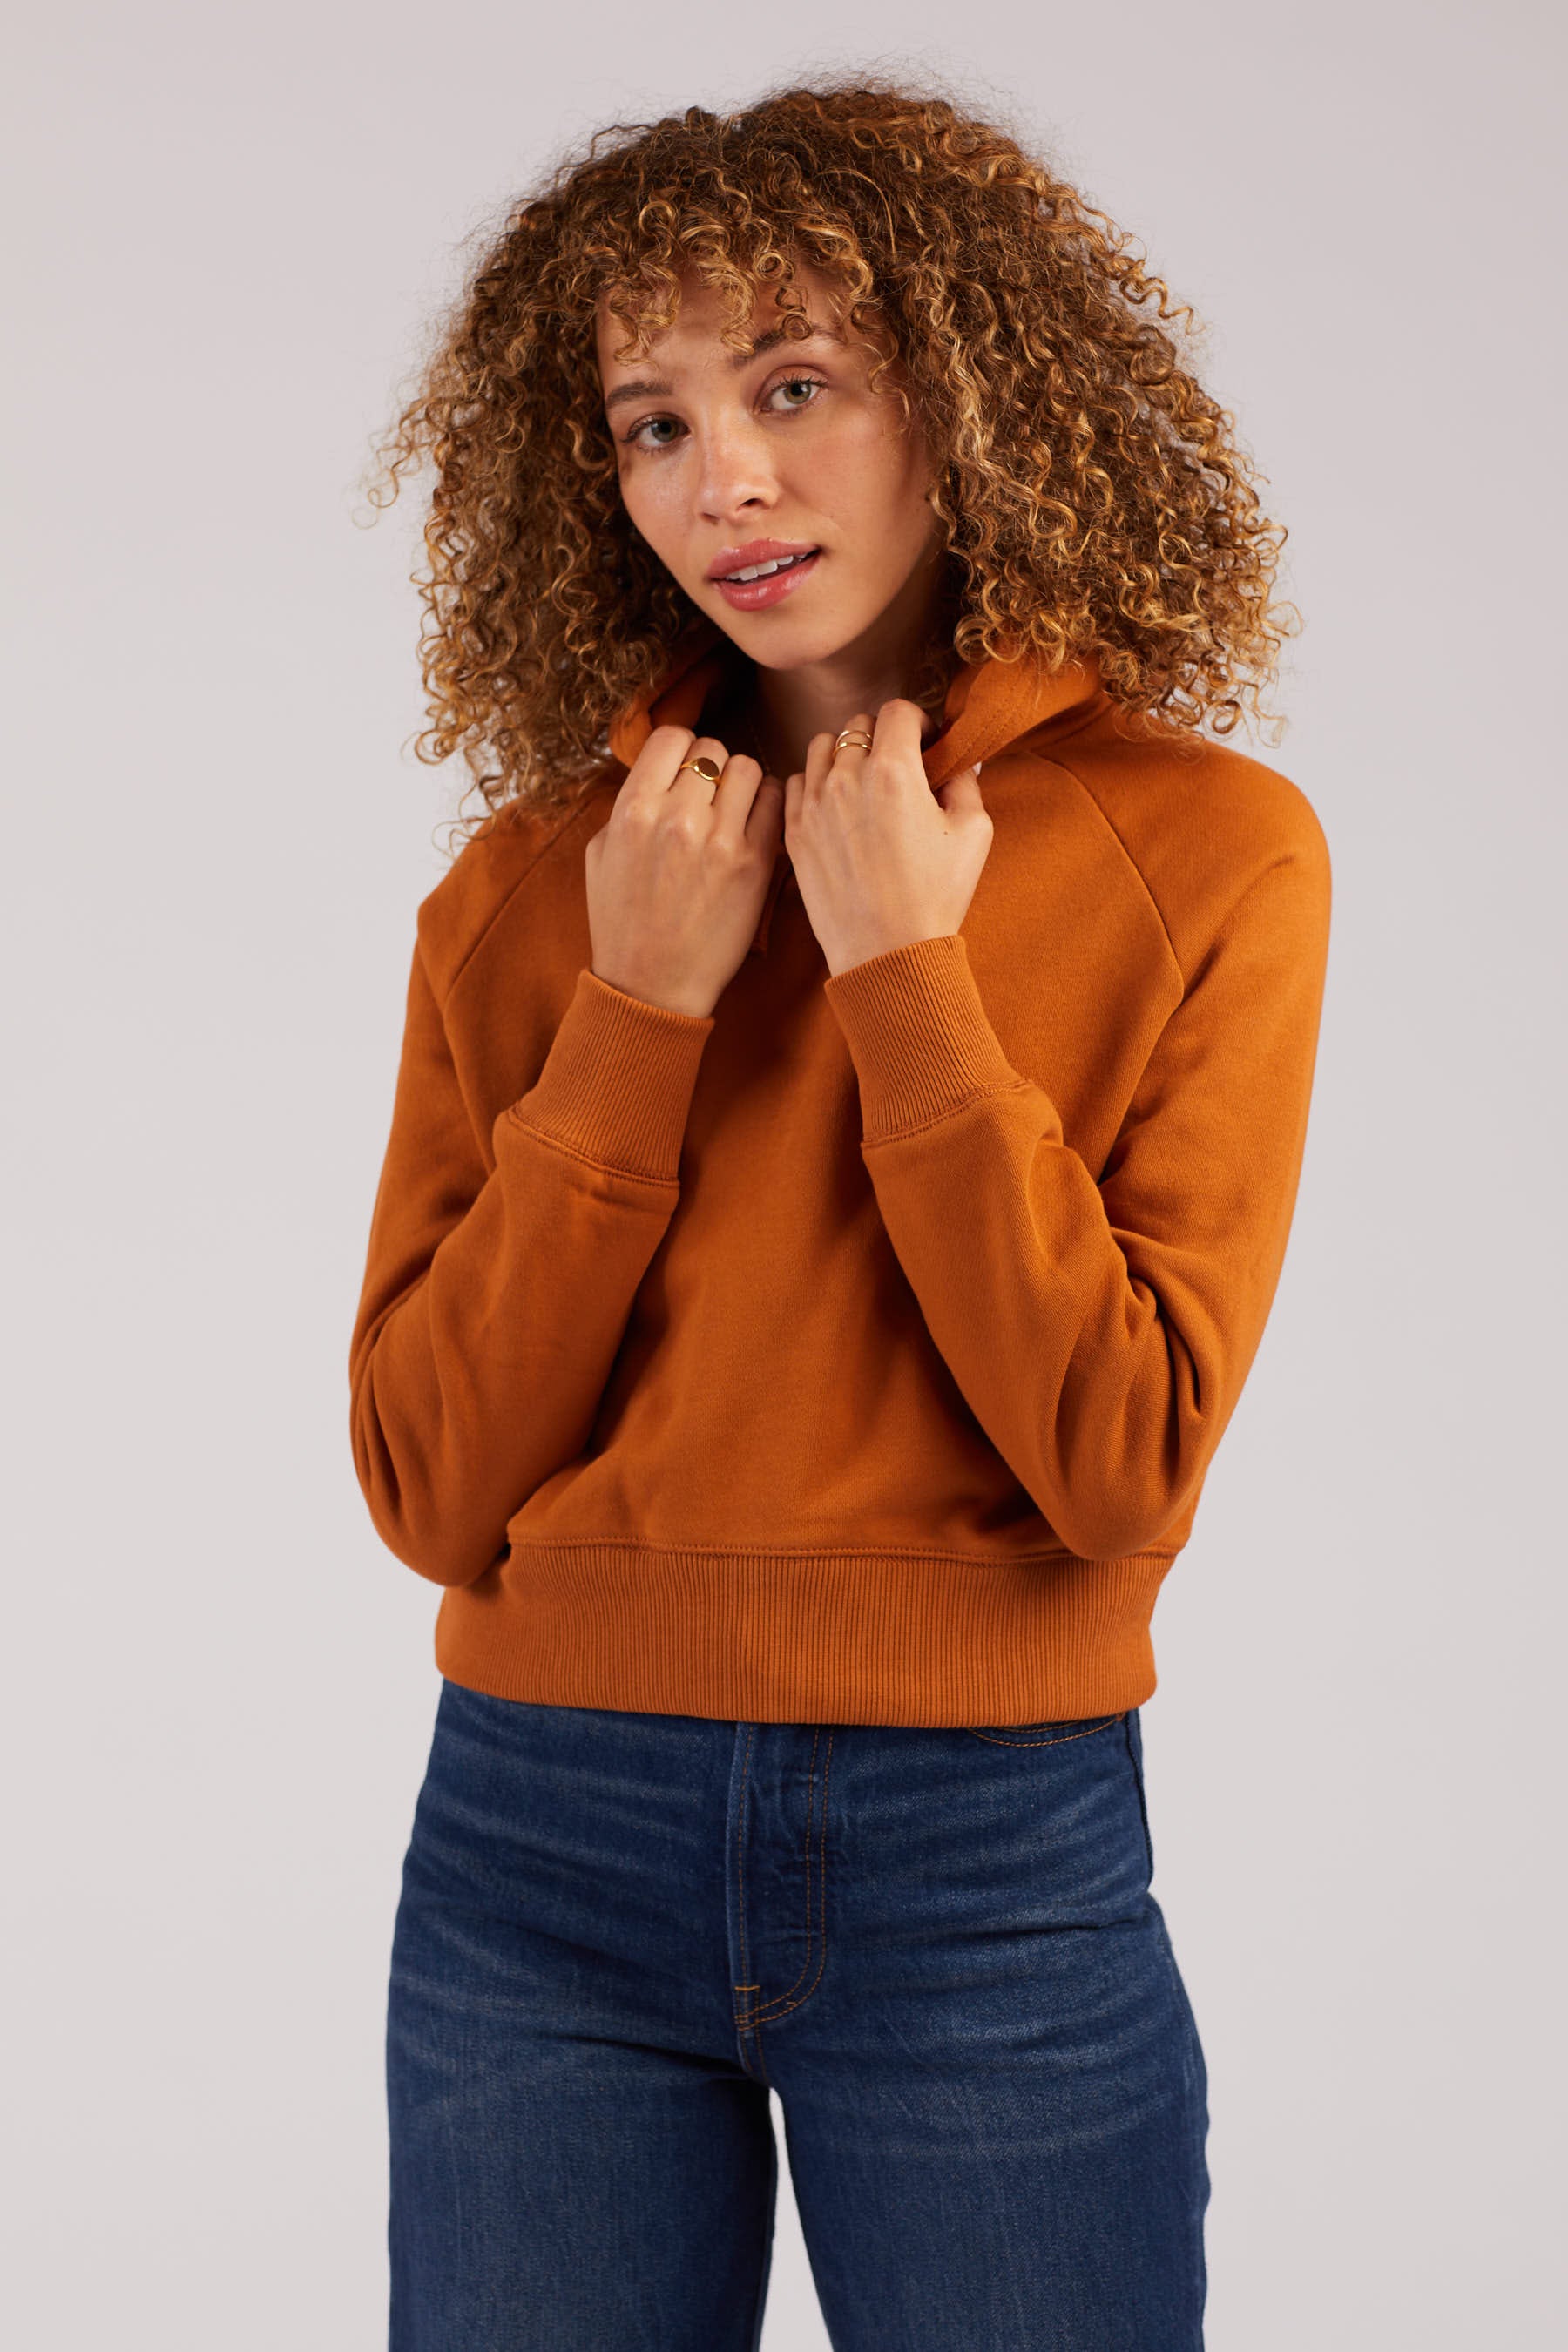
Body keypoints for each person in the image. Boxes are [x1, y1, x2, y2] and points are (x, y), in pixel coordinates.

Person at [349, 76, 1331, 2352]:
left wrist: (903, 973)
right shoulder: (537, 885)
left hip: (988, 1863)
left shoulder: (1207, 852)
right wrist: (638, 1012)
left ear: (969, 394)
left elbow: (1120, 1462)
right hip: (536, 1848)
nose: (726, 479)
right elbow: (427, 1486)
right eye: (656, 422)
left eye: (793, 386)